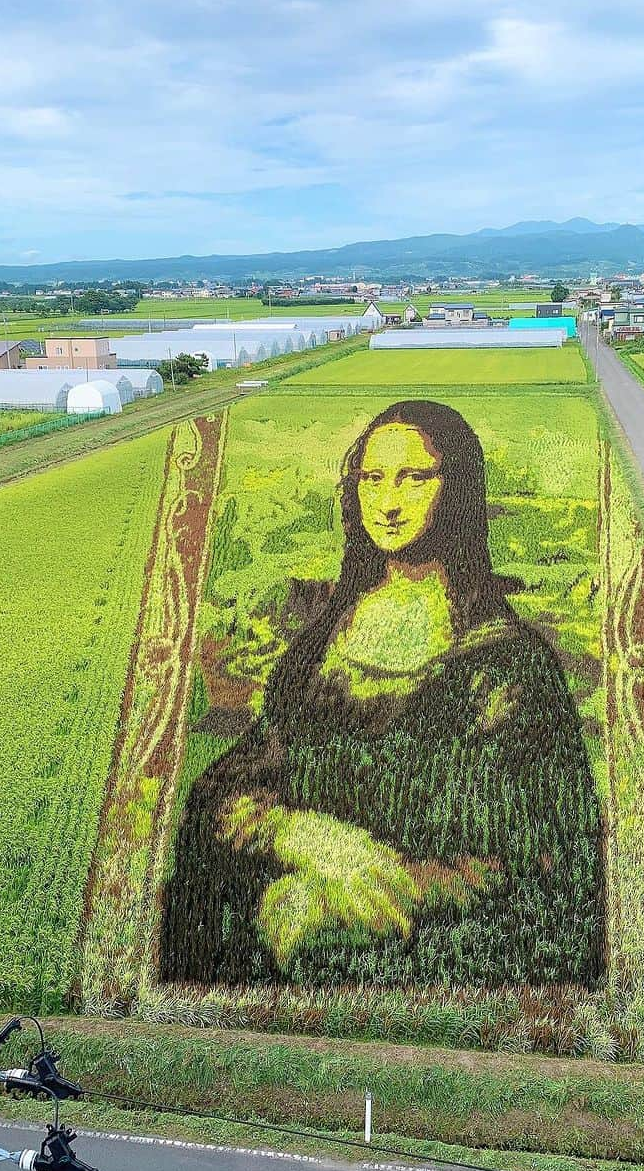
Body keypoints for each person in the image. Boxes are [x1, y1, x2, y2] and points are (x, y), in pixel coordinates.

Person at [160, 399, 605, 989]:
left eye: (415, 478)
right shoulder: (323, 641)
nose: (389, 503)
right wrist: (305, 838)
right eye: (372, 480)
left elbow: (543, 860)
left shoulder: (507, 663)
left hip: (431, 943)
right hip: (278, 911)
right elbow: (240, 777)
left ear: (459, 491)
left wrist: (371, 890)